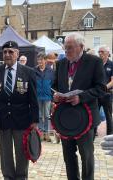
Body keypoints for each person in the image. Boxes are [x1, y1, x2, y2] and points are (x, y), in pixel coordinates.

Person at [53, 32, 105, 180]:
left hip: (86, 118)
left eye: (70, 48)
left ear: (81, 47)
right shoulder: (61, 63)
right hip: (65, 118)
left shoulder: (94, 62)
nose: (66, 51)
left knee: (86, 155)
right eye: (65, 48)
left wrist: (81, 97)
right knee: (68, 156)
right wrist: (56, 96)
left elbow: (101, 88)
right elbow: (55, 85)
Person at [0, 41, 39, 180]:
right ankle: (8, 177)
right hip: (2, 120)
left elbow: (33, 98)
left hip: (22, 120)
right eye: (5, 52)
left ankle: (21, 177)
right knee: (5, 154)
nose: (7, 54)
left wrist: (35, 120)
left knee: (22, 152)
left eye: (11, 52)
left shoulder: (28, 72)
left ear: (17, 54)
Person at [34, 52, 54, 142]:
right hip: (37, 96)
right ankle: (40, 132)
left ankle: (46, 133)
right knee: (38, 115)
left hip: (47, 97)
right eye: (38, 60)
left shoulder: (50, 71)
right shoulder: (34, 70)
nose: (40, 61)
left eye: (41, 60)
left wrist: (53, 97)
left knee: (46, 115)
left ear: (45, 60)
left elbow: (53, 84)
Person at [98, 45, 113, 135]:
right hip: (96, 93)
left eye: (102, 52)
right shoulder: (97, 64)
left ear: (107, 53)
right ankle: (93, 134)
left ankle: (110, 134)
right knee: (94, 114)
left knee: (108, 115)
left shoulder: (111, 64)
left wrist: (104, 87)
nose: (100, 53)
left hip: (107, 94)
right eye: (99, 52)